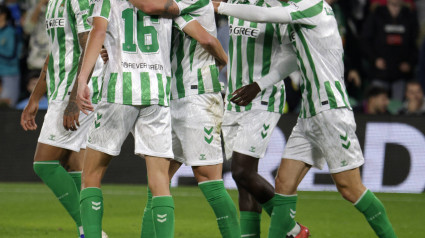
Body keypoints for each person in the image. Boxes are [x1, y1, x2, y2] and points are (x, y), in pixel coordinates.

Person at [214, 0, 397, 237]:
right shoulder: (298, 16)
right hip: (308, 113)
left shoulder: (312, 6)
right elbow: (288, 59)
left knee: (350, 188)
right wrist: (259, 85)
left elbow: (260, 13)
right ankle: (296, 233)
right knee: (283, 186)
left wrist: (218, 6)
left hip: (331, 110)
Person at [75, 0, 179, 236]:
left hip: (118, 91)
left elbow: (98, 31)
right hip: (157, 93)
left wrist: (83, 80)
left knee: (91, 174)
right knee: (160, 181)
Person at [139, 1, 241, 237]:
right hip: (169, 98)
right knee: (158, 182)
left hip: (197, 98)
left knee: (207, 178)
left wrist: (223, 59)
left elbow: (207, 40)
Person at [19, 0, 105, 236]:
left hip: (76, 92)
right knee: (75, 165)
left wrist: (75, 99)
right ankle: (90, 231)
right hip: (61, 91)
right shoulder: (53, 4)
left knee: (44, 164)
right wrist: (35, 97)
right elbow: (55, 51)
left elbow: (89, 44)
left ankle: (90, 230)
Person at [362, 0, 419, 101]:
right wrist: (375, 59)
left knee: (398, 110)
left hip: (400, 75)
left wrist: (410, 63)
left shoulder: (409, 15)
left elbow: (414, 44)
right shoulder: (377, 14)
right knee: (376, 111)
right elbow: (365, 41)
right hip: (380, 73)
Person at [0, 5, 20, 107]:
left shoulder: (11, 32)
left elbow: (12, 55)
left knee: (7, 106)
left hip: (9, 74)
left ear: (3, 15)